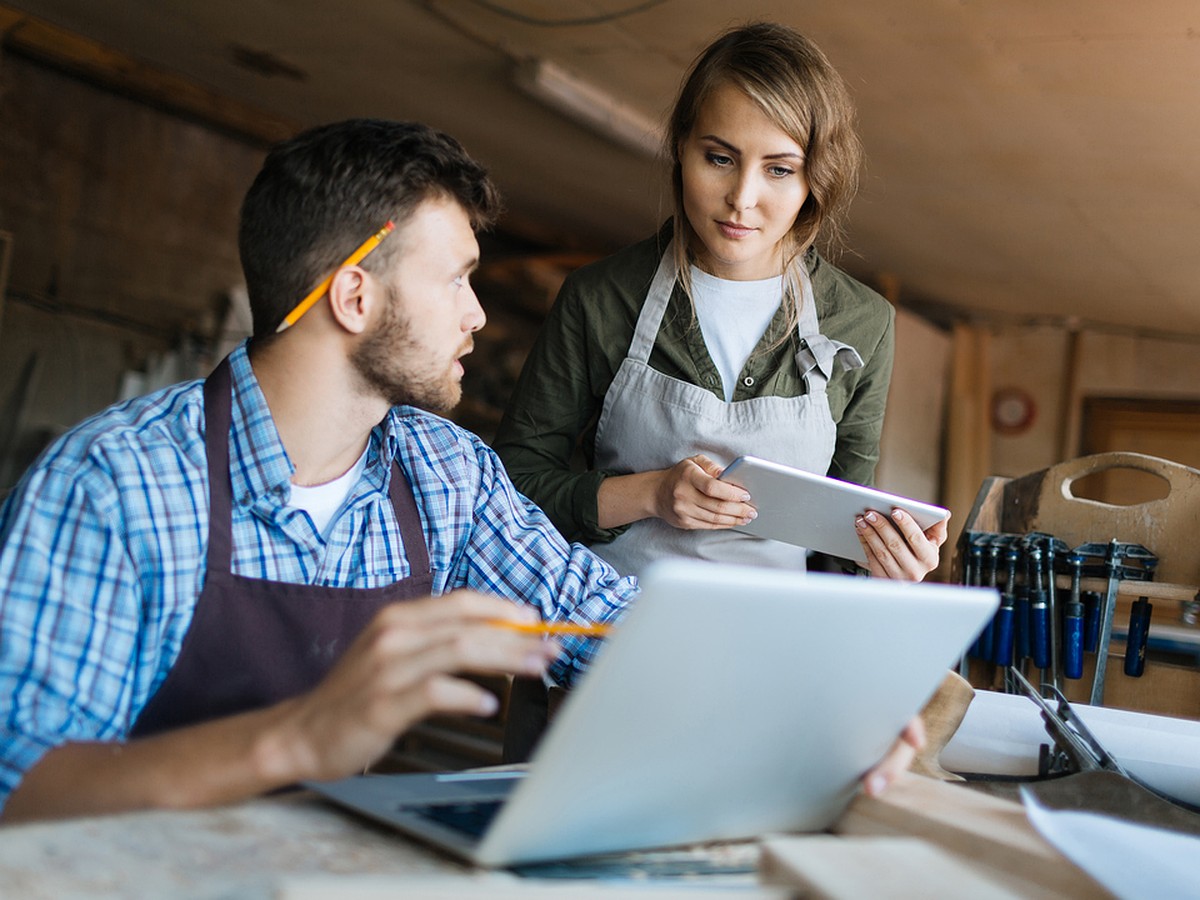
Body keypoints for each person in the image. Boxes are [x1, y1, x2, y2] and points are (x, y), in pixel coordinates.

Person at [0, 118, 920, 824]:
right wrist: (298, 737)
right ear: (355, 295)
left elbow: (606, 625)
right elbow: (20, 789)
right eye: (457, 280)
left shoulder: (442, 474)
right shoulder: (113, 485)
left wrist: (826, 703)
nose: (478, 317)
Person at [494, 23, 947, 580]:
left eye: (779, 170)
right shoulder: (601, 297)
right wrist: (651, 494)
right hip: (607, 628)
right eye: (719, 158)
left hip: (772, 644)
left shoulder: (862, 321)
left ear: (815, 179)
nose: (742, 199)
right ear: (682, 148)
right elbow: (514, 485)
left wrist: (885, 562)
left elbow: (838, 536)